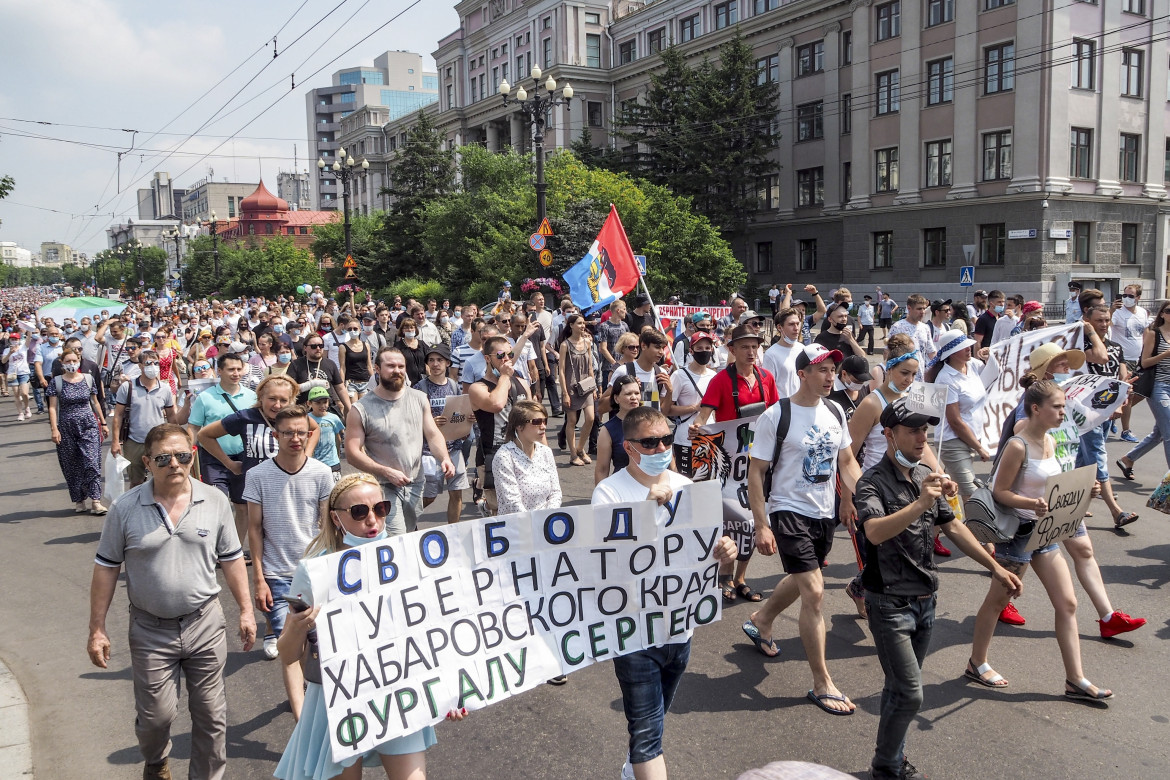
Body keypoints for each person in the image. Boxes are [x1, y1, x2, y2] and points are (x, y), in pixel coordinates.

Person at [855, 399, 1023, 780]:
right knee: (911, 693)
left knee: (898, 689)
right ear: (889, 435)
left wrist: (995, 567)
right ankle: (887, 766)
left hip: (925, 601)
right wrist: (919, 503)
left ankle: (887, 760)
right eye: (912, 430)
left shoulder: (925, 475)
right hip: (889, 604)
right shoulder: (872, 482)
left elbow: (953, 526)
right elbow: (875, 532)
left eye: (925, 430)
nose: (921, 438)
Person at [88, 424, 256, 780]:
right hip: (150, 629)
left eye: (182, 456)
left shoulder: (215, 500)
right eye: (163, 458)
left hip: (204, 624)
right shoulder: (125, 508)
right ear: (147, 462)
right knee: (156, 717)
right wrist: (97, 629)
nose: (174, 465)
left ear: (192, 456)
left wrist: (245, 610)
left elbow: (231, 559)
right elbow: (105, 568)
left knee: (211, 714)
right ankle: (156, 761)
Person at [274, 473, 466, 780]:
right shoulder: (315, 570)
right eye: (359, 512)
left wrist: (448, 691)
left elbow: (433, 633)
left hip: (400, 692)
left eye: (381, 508)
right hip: (339, 699)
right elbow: (287, 654)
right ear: (337, 519)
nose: (373, 519)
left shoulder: (408, 557)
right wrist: (299, 626)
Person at [592, 405, 738, 780]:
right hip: (635, 635)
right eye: (650, 442)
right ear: (630, 447)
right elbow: (607, 565)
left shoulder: (689, 488)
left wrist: (725, 556)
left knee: (654, 721)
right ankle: (640, 761)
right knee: (647, 737)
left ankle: (633, 767)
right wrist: (646, 506)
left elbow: (709, 564)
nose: (660, 449)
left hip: (680, 630)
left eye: (666, 440)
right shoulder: (608, 493)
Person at [965, 381, 1113, 701]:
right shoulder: (1018, 446)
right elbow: (999, 492)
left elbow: (1053, 486)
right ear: (1036, 409)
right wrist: (1032, 504)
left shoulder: (1050, 440)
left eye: (1063, 407)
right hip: (1017, 534)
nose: (1063, 412)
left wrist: (1085, 493)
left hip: (1045, 532)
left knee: (1068, 603)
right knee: (998, 601)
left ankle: (1075, 679)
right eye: (1058, 407)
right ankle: (977, 662)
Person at [743, 344, 862, 715]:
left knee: (802, 576)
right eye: (822, 370)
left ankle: (761, 620)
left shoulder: (836, 410)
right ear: (803, 374)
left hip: (823, 512)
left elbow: (845, 460)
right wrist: (761, 525)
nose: (830, 377)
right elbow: (756, 473)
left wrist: (853, 500)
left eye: (833, 370)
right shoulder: (776, 415)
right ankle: (822, 682)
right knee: (814, 590)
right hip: (787, 510)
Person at [243, 405, 333, 720]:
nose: (295, 438)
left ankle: (307, 694)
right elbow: (254, 528)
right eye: (288, 433)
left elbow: (327, 526)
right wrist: (258, 578)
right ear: (275, 435)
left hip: (315, 571)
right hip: (278, 575)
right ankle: (301, 718)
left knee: (315, 643)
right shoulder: (256, 476)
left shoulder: (322, 473)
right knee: (289, 647)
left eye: (301, 432)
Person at [690, 324, 780, 603]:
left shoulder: (766, 378)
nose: (751, 352)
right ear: (731, 350)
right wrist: (697, 428)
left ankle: (741, 578)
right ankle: (724, 576)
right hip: (730, 465)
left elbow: (775, 415)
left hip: (759, 462)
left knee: (754, 521)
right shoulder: (721, 380)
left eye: (755, 346)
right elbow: (704, 416)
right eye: (745, 347)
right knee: (731, 521)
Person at [345, 347, 454, 534]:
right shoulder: (361, 408)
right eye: (391, 366)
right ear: (377, 369)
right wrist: (385, 471)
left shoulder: (419, 398)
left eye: (401, 366)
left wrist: (444, 458)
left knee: (410, 531)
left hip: (415, 483)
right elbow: (352, 453)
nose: (397, 370)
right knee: (398, 536)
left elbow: (433, 433)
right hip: (384, 487)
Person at [187, 352, 257, 555]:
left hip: (245, 458)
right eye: (230, 369)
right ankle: (211, 547)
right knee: (217, 504)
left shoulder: (252, 397)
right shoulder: (205, 398)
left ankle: (232, 549)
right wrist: (186, 454)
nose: (236, 373)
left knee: (242, 507)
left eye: (239, 369)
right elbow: (193, 427)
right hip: (213, 459)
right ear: (219, 371)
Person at [1078, 304, 1139, 529]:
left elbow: (1121, 374)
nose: (1104, 325)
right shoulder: (1080, 346)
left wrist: (1125, 392)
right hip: (1087, 412)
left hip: (1108, 412)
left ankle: (1073, 507)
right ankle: (1116, 511)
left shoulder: (1116, 346)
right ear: (1087, 321)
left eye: (1107, 320)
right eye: (1098, 321)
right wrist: (1090, 333)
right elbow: (1101, 358)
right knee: (1098, 456)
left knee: (1084, 461)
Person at [468, 336, 530, 514]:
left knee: (522, 504)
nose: (506, 360)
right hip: (493, 454)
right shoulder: (478, 388)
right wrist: (504, 376)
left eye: (510, 355)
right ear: (487, 358)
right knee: (500, 509)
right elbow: (496, 404)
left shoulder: (521, 382)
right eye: (501, 355)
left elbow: (535, 418)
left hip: (522, 452)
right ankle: (487, 507)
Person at [47, 347, 109, 514]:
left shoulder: (88, 379)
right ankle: (79, 499)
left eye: (75, 360)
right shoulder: (57, 382)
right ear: (62, 363)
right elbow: (52, 408)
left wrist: (103, 423)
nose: (72, 364)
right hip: (66, 426)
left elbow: (95, 402)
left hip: (88, 424)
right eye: (68, 361)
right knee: (72, 464)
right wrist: (54, 429)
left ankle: (96, 500)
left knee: (92, 461)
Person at [928, 331, 988, 500]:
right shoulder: (945, 378)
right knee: (972, 495)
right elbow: (954, 421)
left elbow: (996, 375)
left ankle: (939, 523)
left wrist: (989, 356)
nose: (969, 349)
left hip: (972, 437)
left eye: (969, 345)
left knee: (949, 493)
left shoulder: (974, 365)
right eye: (963, 347)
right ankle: (971, 527)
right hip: (952, 442)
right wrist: (979, 447)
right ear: (951, 353)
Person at [414, 344, 470, 525]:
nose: (435, 364)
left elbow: (458, 414)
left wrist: (467, 421)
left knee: (456, 494)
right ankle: (407, 521)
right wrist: (429, 423)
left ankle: (453, 532)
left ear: (447, 363)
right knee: (429, 497)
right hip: (429, 452)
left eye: (439, 360)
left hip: (454, 449)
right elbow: (411, 419)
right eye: (431, 360)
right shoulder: (419, 388)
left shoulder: (454, 386)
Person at [112, 349, 179, 488]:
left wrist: (177, 438)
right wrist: (115, 442)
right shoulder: (127, 387)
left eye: (156, 363)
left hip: (159, 441)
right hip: (134, 441)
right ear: (140, 366)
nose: (153, 367)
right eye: (148, 363)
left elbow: (171, 415)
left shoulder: (165, 389)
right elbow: (118, 414)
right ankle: (136, 507)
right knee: (136, 481)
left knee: (163, 478)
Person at [492, 400, 561, 516]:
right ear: (519, 426)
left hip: (546, 524)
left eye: (545, 421)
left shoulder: (546, 452)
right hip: (517, 524)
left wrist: (548, 517)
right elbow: (512, 502)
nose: (543, 426)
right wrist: (533, 523)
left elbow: (555, 492)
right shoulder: (504, 457)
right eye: (537, 422)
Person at [669, 331, 717, 467]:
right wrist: (694, 408)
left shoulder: (714, 376)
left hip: (710, 437)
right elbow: (667, 409)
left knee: (707, 484)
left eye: (707, 348)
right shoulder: (679, 375)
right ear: (691, 351)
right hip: (685, 438)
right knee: (686, 482)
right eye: (699, 348)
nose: (704, 351)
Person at [557, 313, 598, 466]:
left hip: (586, 384)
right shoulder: (565, 345)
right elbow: (560, 370)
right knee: (572, 420)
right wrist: (565, 393)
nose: (582, 326)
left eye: (583, 323)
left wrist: (593, 387)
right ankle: (573, 454)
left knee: (591, 418)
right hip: (571, 386)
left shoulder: (587, 342)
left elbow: (589, 367)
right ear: (571, 325)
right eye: (579, 323)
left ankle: (580, 448)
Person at [1112, 283, 1150, 442]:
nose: (1126, 298)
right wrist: (1111, 310)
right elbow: (1106, 324)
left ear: (1138, 298)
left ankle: (1114, 413)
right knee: (1129, 394)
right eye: (1124, 295)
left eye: (1131, 296)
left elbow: (1146, 333)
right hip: (1123, 360)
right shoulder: (1118, 313)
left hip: (1139, 359)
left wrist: (1147, 353)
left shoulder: (1142, 312)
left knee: (1144, 392)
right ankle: (1126, 431)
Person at [604, 328, 673, 414]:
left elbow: (662, 413)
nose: (661, 352)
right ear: (643, 346)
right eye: (657, 347)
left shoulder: (661, 373)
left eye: (663, 348)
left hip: (653, 426)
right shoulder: (624, 371)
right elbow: (601, 406)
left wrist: (669, 392)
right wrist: (625, 388)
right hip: (628, 426)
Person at [287, 334, 350, 417]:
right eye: (313, 346)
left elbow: (340, 388)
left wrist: (349, 407)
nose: (318, 349)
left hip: (326, 409)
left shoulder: (330, 364)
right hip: (304, 410)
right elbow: (289, 389)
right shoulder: (296, 364)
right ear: (305, 348)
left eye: (321, 346)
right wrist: (311, 384)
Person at [596, 374, 642, 483]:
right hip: (621, 488)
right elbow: (602, 469)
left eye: (637, 393)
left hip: (650, 487)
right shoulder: (608, 430)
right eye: (628, 394)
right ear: (616, 398)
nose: (634, 397)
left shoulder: (650, 423)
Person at [887, 295, 935, 378]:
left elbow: (931, 352)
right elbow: (888, 352)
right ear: (909, 308)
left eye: (924, 308)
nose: (922, 312)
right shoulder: (898, 327)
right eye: (919, 309)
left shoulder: (925, 328)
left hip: (919, 378)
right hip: (902, 378)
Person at [763, 307, 803, 397]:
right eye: (791, 324)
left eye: (798, 324)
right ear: (779, 327)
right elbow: (768, 387)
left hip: (802, 405)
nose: (796, 328)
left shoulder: (803, 349)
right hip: (782, 406)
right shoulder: (771, 354)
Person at [307, 386, 345, 481]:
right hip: (314, 462)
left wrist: (337, 455)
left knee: (334, 491)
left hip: (332, 462)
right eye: (318, 403)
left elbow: (338, 437)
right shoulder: (306, 419)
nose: (322, 406)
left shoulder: (334, 418)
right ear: (309, 403)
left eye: (325, 402)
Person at [337, 319, 373, 402]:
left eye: (355, 329)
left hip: (365, 382)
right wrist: (342, 385)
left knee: (365, 408)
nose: (352, 331)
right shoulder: (343, 347)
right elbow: (342, 368)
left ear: (360, 330)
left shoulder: (366, 345)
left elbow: (369, 365)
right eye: (350, 329)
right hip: (351, 383)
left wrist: (373, 381)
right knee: (354, 408)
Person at [3, 331, 32, 420]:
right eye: (12, 339)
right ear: (9, 340)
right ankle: (20, 413)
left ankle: (27, 407)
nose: (14, 341)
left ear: (19, 340)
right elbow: (3, 361)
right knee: (16, 394)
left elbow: (28, 339)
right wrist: (10, 353)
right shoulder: (7, 350)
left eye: (16, 339)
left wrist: (29, 329)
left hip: (23, 372)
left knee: (24, 393)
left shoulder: (23, 347)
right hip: (13, 373)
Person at [394, 315, 428, 385]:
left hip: (423, 381)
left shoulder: (422, 344)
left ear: (415, 329)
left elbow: (427, 362)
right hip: (407, 382)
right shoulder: (398, 346)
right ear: (402, 330)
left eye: (412, 327)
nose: (409, 330)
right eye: (406, 328)